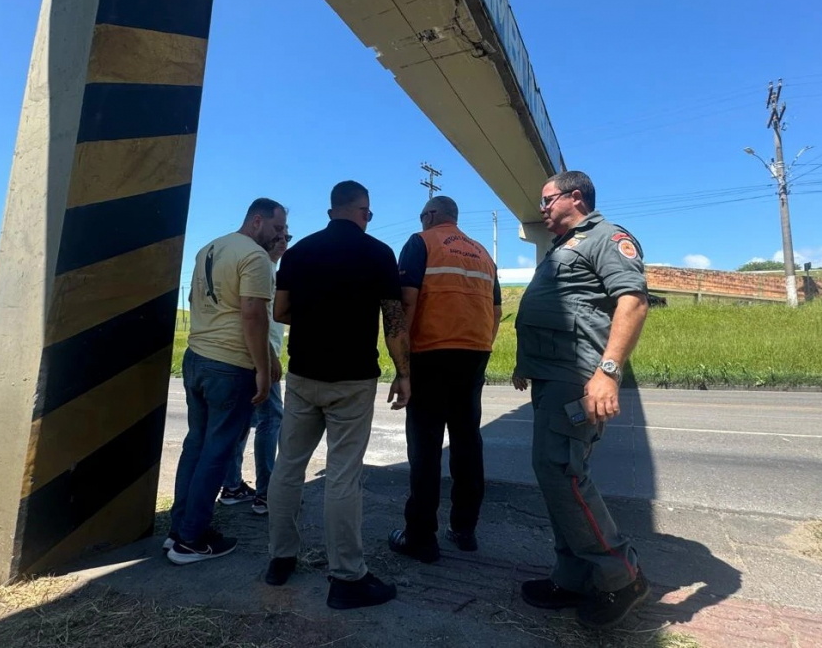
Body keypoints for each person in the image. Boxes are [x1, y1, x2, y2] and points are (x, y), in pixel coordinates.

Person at [512, 171, 651, 629]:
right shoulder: (561, 247)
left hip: (578, 378)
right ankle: (571, 576)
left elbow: (632, 301)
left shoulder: (606, 237)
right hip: (551, 377)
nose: (543, 209)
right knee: (553, 476)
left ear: (575, 197)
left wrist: (608, 374)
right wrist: (526, 362)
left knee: (564, 474)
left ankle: (621, 574)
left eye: (547, 200)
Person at [264, 180, 411, 610]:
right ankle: (347, 577)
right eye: (368, 213)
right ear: (362, 211)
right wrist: (404, 373)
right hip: (353, 380)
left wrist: (316, 313)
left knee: (288, 466)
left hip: (304, 376)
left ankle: (280, 560)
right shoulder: (379, 253)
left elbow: (280, 311)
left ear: (331, 211)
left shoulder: (299, 252)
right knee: (344, 475)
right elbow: (394, 321)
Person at [165, 199, 288, 565]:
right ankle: (192, 539)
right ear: (257, 221)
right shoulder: (255, 257)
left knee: (196, 447)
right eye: (277, 228)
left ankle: (178, 530)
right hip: (230, 366)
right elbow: (253, 314)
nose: (281, 236)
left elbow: (195, 300)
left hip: (197, 358)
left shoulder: (210, 248)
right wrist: (264, 367)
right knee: (217, 453)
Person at [387, 195, 501, 563]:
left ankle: (421, 537)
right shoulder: (483, 253)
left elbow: (406, 302)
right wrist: (480, 347)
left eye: (422, 216)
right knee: (468, 443)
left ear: (432, 215)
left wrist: (403, 367)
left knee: (425, 449)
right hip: (474, 355)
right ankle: (464, 530)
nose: (420, 222)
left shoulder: (421, 243)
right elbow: (496, 311)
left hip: (430, 355)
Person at [217, 234, 291, 515]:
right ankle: (266, 493)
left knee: (242, 421)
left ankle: (232, 486)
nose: (284, 241)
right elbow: (253, 316)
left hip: (245, 356)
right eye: (279, 235)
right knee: (271, 420)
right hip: (260, 356)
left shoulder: (263, 268)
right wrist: (269, 358)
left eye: (289, 236)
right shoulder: (261, 267)